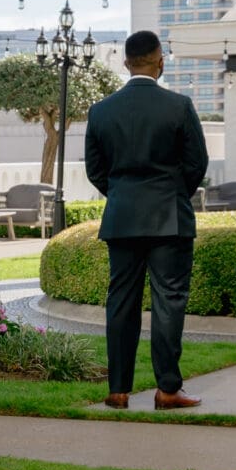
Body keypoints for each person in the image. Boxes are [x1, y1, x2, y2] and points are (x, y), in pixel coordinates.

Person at [81, 30, 210, 411]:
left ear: (125, 64)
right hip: (169, 220)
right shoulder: (179, 106)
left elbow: (95, 169)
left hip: (120, 218)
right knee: (169, 302)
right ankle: (168, 390)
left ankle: (118, 390)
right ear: (160, 62)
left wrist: (122, 196)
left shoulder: (100, 111)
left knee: (120, 302)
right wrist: (172, 195)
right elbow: (196, 164)